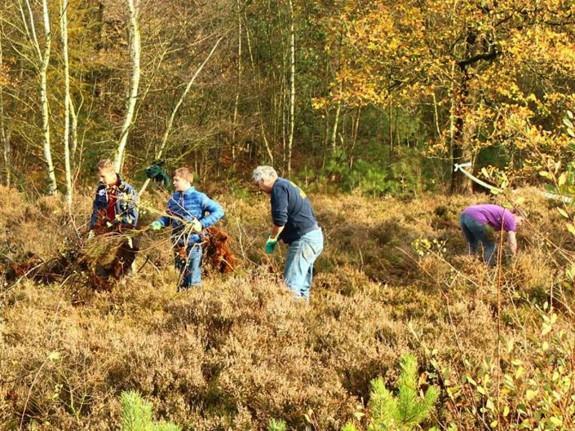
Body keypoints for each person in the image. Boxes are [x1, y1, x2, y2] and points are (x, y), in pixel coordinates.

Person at [252, 165, 323, 299]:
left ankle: (289, 317)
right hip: (315, 237)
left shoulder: (278, 188)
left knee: (290, 287)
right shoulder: (288, 185)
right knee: (302, 287)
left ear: (265, 179)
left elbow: (280, 221)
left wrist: (272, 240)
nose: (259, 188)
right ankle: (302, 316)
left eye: (258, 184)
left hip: (304, 240)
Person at [149, 167, 224, 290]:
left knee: (193, 278)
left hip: (194, 242)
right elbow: (167, 217)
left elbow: (219, 211)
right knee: (182, 277)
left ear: (186, 180)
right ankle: (181, 303)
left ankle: (196, 303)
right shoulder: (173, 199)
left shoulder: (199, 197)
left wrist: (201, 224)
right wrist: (159, 223)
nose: (173, 183)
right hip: (178, 244)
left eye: (176, 180)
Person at [87, 158, 139, 278]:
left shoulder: (128, 191)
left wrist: (117, 224)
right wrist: (92, 228)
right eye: (99, 177)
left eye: (103, 176)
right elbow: (96, 211)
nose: (100, 180)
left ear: (112, 174)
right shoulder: (101, 190)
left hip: (121, 235)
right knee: (101, 269)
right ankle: (103, 293)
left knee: (123, 271)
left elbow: (132, 217)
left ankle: (125, 292)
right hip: (103, 235)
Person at [460, 204, 524, 265]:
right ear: (515, 215)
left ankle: (468, 264)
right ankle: (489, 267)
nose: (521, 224)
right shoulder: (511, 219)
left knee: (472, 244)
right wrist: (512, 259)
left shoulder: (504, 214)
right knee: (490, 244)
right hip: (476, 218)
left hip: (464, 215)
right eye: (521, 220)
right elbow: (512, 241)